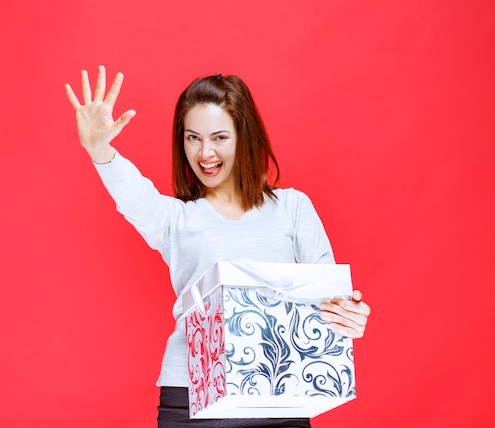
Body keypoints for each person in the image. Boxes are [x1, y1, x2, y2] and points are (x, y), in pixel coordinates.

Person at [65, 66, 371, 428]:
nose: (205, 152)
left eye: (219, 137)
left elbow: (327, 298)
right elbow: (135, 196)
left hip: (282, 395)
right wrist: (101, 151)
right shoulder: (174, 219)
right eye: (192, 137)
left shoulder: (292, 208)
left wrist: (349, 316)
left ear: (245, 136)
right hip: (193, 397)